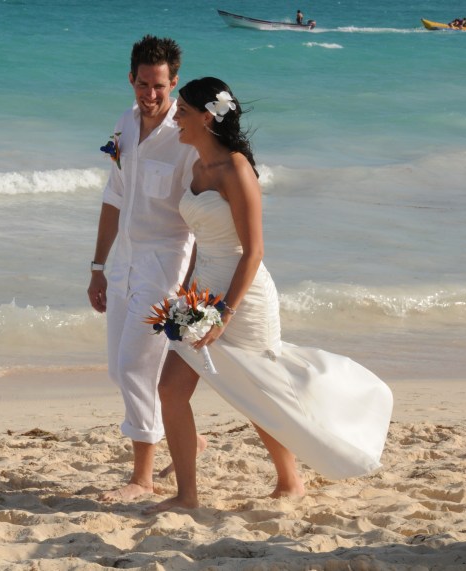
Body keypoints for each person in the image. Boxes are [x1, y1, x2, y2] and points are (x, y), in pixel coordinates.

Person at [143, 77, 394, 514]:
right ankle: (187, 494)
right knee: (170, 390)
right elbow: (201, 239)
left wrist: (224, 312)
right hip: (200, 295)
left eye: (182, 111)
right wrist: (184, 294)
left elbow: (254, 251)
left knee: (259, 392)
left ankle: (290, 480)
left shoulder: (236, 168)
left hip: (242, 297)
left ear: (206, 116)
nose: (175, 118)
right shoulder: (197, 167)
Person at [88, 35, 200, 502]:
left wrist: (190, 290)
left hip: (165, 267)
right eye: (142, 84)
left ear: (174, 83)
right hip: (123, 265)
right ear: (131, 79)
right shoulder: (124, 125)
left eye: (159, 86)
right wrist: (97, 265)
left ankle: (143, 477)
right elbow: (114, 198)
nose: (149, 95)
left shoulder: (187, 137)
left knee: (137, 365)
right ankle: (184, 437)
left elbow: (201, 218)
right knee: (119, 367)